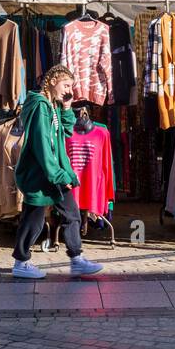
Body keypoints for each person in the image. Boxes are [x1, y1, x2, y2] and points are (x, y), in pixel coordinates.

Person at [9, 65, 104, 280]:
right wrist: (59, 175)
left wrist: (67, 107)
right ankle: (21, 261)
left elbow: (65, 131)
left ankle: (76, 258)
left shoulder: (51, 105)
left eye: (71, 85)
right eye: (66, 85)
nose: (69, 89)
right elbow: (42, 143)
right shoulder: (40, 106)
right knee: (33, 220)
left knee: (71, 214)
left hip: (52, 172)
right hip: (41, 174)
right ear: (52, 81)